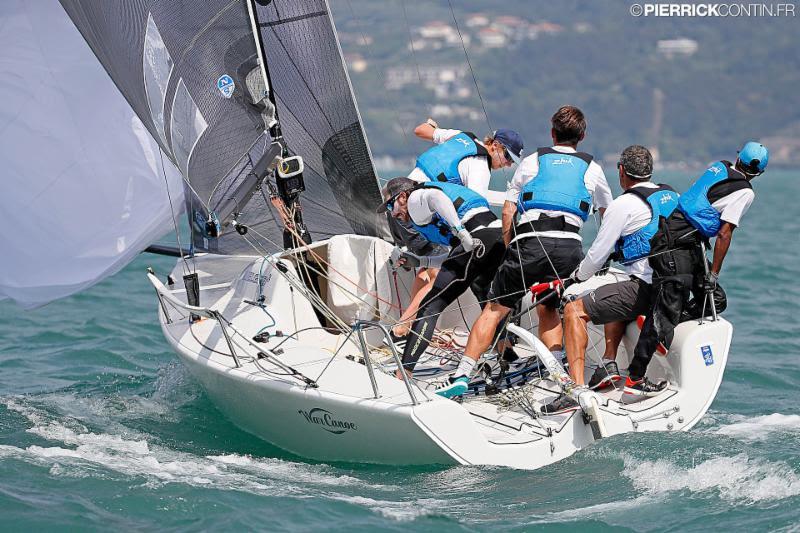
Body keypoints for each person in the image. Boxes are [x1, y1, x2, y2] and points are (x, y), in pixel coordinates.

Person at [435, 105, 613, 399]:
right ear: (582, 136)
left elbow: (508, 210)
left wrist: (509, 246)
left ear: (552, 132)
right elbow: (606, 212)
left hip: (529, 244)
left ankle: (461, 376)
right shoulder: (593, 168)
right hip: (569, 249)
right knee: (547, 307)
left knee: (494, 309)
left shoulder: (532, 161)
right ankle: (559, 379)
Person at [537, 145, 680, 414]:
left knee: (573, 309)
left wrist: (573, 279)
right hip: (673, 289)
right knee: (613, 291)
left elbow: (596, 256)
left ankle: (574, 390)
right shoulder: (672, 195)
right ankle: (608, 364)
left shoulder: (624, 204)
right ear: (650, 172)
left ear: (622, 172)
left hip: (647, 289)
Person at [628, 142, 769, 386]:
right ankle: (635, 377)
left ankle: (665, 326)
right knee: (667, 309)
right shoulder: (745, 192)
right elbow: (725, 233)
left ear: (737, 158)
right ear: (759, 173)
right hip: (676, 245)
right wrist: (714, 273)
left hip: (686, 243)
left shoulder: (719, 166)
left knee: (715, 299)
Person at [390, 121, 524, 338]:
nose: (508, 164)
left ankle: (407, 328)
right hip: (419, 214)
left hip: (398, 206)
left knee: (425, 271)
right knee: (436, 275)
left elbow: (420, 130)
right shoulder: (480, 166)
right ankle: (402, 329)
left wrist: (432, 125)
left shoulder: (462, 136)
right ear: (496, 145)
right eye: (507, 157)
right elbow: (474, 208)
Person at [377, 177, 506, 379]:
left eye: (392, 206)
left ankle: (404, 373)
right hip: (497, 239)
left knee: (430, 307)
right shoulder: (435, 210)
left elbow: (436, 197)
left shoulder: (415, 198)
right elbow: (455, 256)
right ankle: (507, 354)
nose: (394, 214)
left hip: (475, 239)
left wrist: (460, 231)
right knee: (488, 298)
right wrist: (421, 262)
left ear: (402, 196)